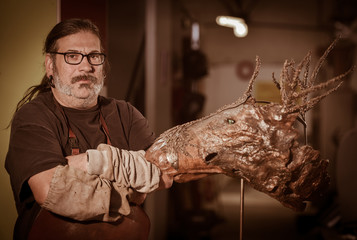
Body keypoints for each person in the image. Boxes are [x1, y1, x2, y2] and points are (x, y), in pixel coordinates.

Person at [5, 18, 173, 240]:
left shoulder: (126, 113)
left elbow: (165, 174)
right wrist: (131, 190)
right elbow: (51, 189)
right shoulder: (33, 117)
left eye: (94, 56)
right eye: (72, 56)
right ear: (50, 65)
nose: (86, 66)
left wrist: (92, 162)